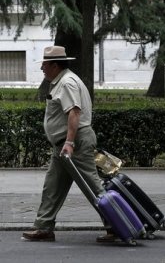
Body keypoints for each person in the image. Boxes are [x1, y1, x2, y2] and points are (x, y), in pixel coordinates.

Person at [21, 46, 109, 241]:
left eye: (44, 64)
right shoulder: (61, 81)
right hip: (63, 144)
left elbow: (74, 113)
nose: (42, 68)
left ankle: (116, 225)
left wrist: (69, 142)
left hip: (73, 143)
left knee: (92, 186)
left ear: (55, 65)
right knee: (52, 186)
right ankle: (43, 227)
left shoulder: (67, 82)